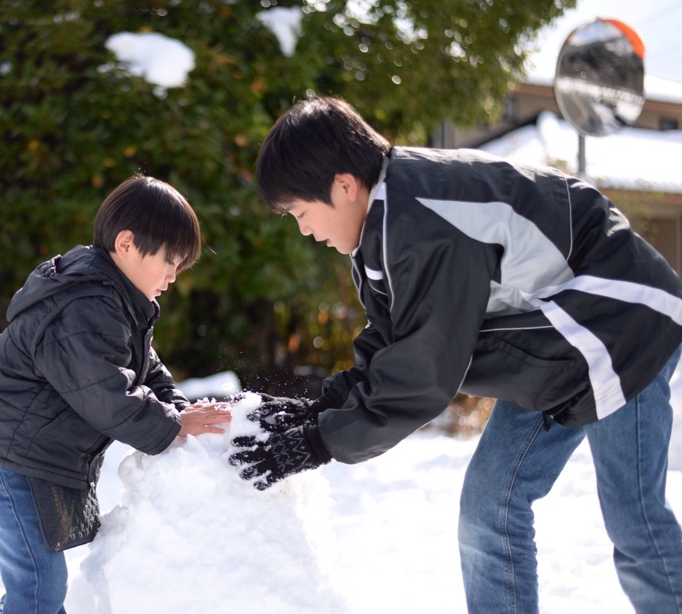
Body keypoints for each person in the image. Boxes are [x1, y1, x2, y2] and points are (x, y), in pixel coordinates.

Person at [228, 95, 682, 613]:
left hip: (623, 324)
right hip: (556, 344)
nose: (305, 229)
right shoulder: (384, 226)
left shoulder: (421, 218)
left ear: (344, 186)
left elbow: (425, 370)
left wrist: (319, 442)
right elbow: (393, 344)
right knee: (490, 509)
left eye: (301, 214)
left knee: (635, 521)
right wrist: (319, 410)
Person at [0, 175, 231, 614]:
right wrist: (175, 425)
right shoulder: (85, 305)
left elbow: (145, 369)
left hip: (29, 454)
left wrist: (181, 408)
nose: (173, 276)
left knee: (41, 583)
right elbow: (108, 396)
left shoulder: (116, 299)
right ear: (126, 244)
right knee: (39, 585)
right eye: (169, 261)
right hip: (1, 456)